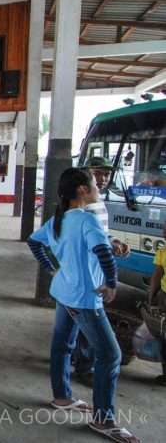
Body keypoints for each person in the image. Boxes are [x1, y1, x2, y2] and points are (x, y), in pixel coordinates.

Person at [27, 167, 140, 443]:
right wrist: (112, 282)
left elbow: (34, 242)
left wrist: (51, 268)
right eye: (95, 184)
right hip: (84, 298)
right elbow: (102, 251)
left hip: (65, 291)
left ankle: (62, 397)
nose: (98, 189)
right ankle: (103, 420)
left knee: (63, 345)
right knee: (111, 355)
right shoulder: (86, 220)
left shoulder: (59, 218)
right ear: (82, 190)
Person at [72, 157, 131, 385]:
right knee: (90, 323)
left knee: (73, 322)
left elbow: (100, 231)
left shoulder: (96, 199)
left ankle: (69, 359)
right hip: (87, 272)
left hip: (92, 270)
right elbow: (81, 235)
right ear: (85, 174)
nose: (103, 179)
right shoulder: (81, 202)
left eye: (106, 175)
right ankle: (85, 367)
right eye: (98, 174)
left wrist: (113, 239)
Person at [148, 221, 166, 386]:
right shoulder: (163, 251)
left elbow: (157, 275)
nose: (164, 233)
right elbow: (157, 275)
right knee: (163, 337)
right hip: (164, 298)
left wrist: (152, 295)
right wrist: (152, 295)